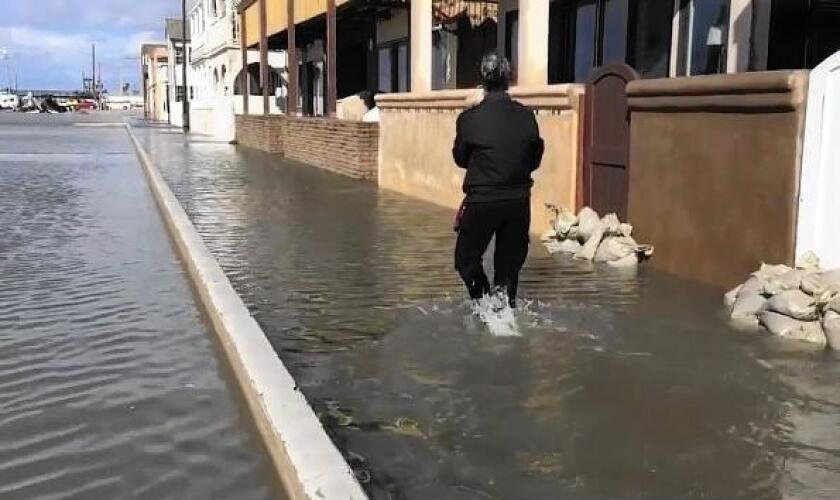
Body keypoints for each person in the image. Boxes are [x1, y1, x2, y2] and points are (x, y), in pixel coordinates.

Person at [452, 53, 544, 309]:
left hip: (482, 201)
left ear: (482, 81)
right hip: (518, 201)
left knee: (466, 260)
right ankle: (504, 311)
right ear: (509, 80)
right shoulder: (527, 116)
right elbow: (535, 158)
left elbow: (460, 158)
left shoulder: (469, 118)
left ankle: (484, 306)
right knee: (508, 268)